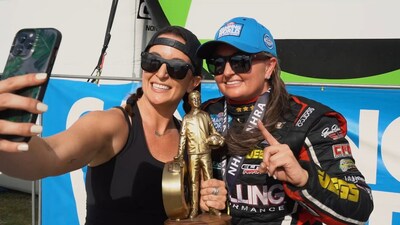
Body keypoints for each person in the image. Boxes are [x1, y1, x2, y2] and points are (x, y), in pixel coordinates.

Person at [0, 26, 227, 225]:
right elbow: (47, 157)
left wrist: (210, 200)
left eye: (176, 68)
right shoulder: (112, 124)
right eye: (152, 62)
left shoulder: (188, 137)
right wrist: (7, 139)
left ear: (193, 82)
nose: (161, 73)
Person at [196, 16, 374, 225]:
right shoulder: (206, 115)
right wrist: (200, 196)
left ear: (269, 67)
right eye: (217, 63)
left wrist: (304, 178)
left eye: (240, 62)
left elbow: (361, 206)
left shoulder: (308, 119)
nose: (227, 72)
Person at [175, 90, 225, 218]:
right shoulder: (186, 118)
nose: (197, 101)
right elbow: (182, 138)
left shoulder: (205, 115)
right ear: (190, 101)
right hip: (193, 154)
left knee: (210, 180)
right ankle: (194, 208)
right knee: (193, 181)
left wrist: (219, 139)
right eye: (194, 99)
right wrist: (180, 154)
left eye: (198, 98)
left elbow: (214, 131)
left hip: (206, 153)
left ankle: (212, 207)